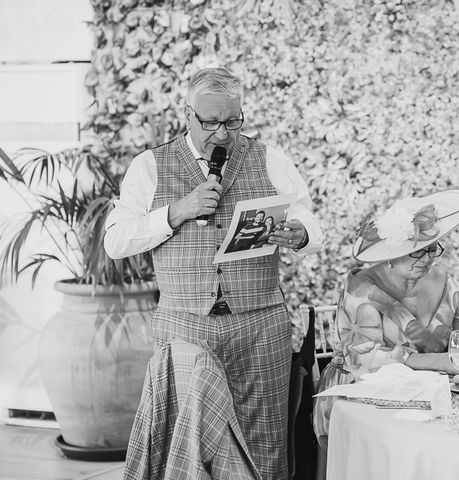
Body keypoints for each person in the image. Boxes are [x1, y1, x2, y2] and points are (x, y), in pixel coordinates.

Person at [104, 67, 322, 480]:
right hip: (184, 326)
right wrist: (177, 212)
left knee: (266, 444)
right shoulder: (149, 166)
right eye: (210, 123)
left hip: (260, 324)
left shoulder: (270, 157)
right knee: (187, 444)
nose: (222, 134)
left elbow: (308, 215)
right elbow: (116, 241)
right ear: (187, 114)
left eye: (232, 121)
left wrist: (301, 232)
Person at [337, 189, 459, 377]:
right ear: (391, 253)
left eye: (432, 249)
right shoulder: (361, 287)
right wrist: (438, 362)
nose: (427, 259)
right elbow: (361, 358)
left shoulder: (444, 280)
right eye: (417, 251)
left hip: (440, 387)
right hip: (371, 389)